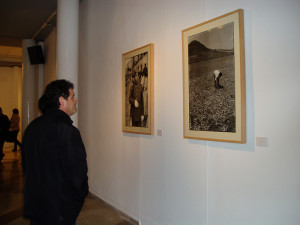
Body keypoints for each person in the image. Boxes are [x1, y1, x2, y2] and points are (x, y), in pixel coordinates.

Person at [21, 79, 89, 225]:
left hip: (37, 206)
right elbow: (78, 174)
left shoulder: (32, 128)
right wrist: (80, 197)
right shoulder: (68, 131)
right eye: (72, 96)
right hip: (60, 210)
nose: (76, 100)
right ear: (61, 100)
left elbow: (26, 166)